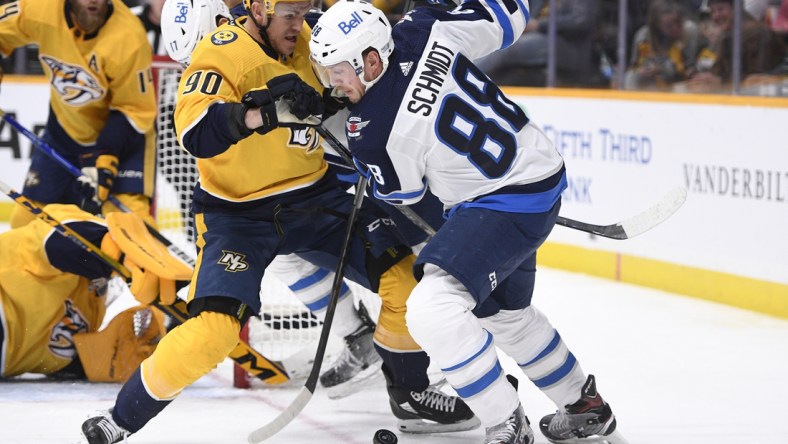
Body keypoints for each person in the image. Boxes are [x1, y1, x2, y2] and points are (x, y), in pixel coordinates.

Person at [80, 1, 478, 442]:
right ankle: (121, 419)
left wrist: (333, 99)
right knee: (213, 331)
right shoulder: (221, 51)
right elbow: (195, 132)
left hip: (315, 197)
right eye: (288, 13)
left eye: (303, 9)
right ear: (258, 9)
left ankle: (410, 393)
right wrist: (262, 113)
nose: (299, 22)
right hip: (238, 215)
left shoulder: (314, 37)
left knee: (405, 281)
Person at [310, 1, 628, 443]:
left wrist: (330, 144)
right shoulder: (422, 27)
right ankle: (584, 407)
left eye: (336, 72)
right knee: (505, 316)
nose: (331, 84)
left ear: (371, 60)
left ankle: (506, 423)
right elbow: (508, 14)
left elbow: (413, 209)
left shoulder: (374, 134)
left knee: (432, 309)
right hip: (539, 171)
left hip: (500, 204)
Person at [0, 0, 157, 228]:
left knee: (131, 232)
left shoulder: (129, 37)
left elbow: (135, 110)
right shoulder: (39, 8)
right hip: (64, 134)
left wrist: (104, 158)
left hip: (121, 142)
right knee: (25, 225)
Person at [0, 204, 167, 384]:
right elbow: (59, 242)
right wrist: (118, 254)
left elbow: (100, 363)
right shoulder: (44, 233)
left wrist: (174, 339)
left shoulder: (93, 315)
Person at [473, 0, 600, 87]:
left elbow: (581, 20)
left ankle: (468, 77)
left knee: (508, 48)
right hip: (537, 37)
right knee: (494, 42)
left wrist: (539, 25)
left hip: (565, 44)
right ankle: (468, 77)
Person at [624, 0, 702, 90]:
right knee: (631, 77)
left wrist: (662, 69)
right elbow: (634, 66)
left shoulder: (688, 32)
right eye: (669, 25)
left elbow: (689, 69)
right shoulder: (643, 36)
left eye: (677, 22)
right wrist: (642, 70)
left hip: (678, 85)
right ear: (656, 25)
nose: (675, 28)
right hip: (651, 84)